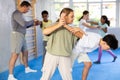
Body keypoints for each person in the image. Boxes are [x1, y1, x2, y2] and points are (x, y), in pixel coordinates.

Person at [40, 8, 83, 80]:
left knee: (68, 78)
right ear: (65, 16)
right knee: (45, 77)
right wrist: (59, 24)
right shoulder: (54, 25)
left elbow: (81, 36)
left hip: (65, 56)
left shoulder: (73, 28)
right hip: (52, 55)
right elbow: (45, 32)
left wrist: (65, 25)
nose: (73, 18)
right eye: (71, 16)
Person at [8, 1, 40, 80]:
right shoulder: (16, 13)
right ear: (24, 6)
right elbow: (24, 24)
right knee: (15, 55)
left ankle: (27, 68)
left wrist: (34, 24)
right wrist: (33, 21)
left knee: (25, 52)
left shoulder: (21, 15)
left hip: (22, 35)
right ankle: (10, 76)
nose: (28, 11)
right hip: (17, 36)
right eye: (28, 9)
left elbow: (24, 26)